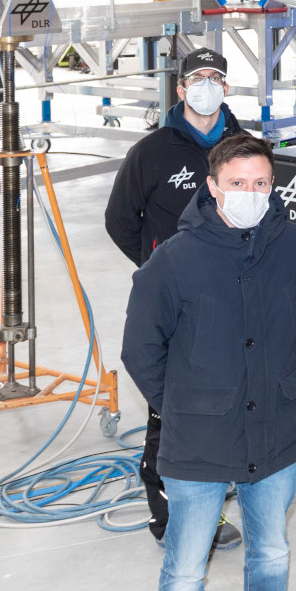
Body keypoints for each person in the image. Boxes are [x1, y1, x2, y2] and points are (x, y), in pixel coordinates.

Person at [121, 132, 296, 591]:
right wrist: (190, 403)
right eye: (238, 184)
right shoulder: (173, 261)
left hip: (275, 427)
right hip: (199, 437)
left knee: (272, 553)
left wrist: (275, 381)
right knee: (185, 571)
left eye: (261, 184)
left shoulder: (293, 247)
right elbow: (140, 351)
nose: (250, 194)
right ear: (212, 187)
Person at [104, 46, 244, 551]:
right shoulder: (151, 153)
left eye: (216, 77)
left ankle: (211, 503)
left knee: (226, 404)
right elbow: (120, 221)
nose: (207, 85)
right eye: (197, 77)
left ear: (225, 88)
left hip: (232, 299)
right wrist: (158, 270)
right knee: (172, 411)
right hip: (176, 306)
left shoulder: (244, 147)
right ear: (181, 88)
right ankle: (171, 518)